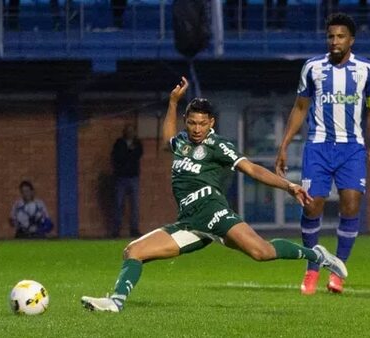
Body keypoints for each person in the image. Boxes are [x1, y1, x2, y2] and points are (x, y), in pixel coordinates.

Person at [81, 77, 347, 312]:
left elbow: (251, 168)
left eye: (202, 123)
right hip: (189, 222)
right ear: (187, 122)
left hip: (214, 214)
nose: (197, 129)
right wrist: (173, 103)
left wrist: (288, 185)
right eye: (193, 123)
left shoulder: (217, 145)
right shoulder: (182, 143)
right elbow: (167, 139)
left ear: (211, 123)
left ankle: (318, 256)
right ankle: (115, 302)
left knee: (262, 252)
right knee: (133, 251)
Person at [275, 12, 370, 295]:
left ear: (351, 40)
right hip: (318, 147)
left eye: (340, 36)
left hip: (352, 148)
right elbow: (300, 108)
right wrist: (284, 145)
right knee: (311, 206)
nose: (334, 41)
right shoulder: (312, 68)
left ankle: (338, 270)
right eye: (331, 36)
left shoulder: (367, 70)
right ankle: (312, 267)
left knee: (350, 206)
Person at [111, 124, 143, 238]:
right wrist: (129, 153)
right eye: (128, 131)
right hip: (121, 177)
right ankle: (116, 229)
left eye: (132, 131)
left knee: (134, 205)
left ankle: (134, 229)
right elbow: (118, 157)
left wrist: (129, 153)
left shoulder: (137, 143)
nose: (130, 133)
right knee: (118, 204)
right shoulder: (119, 143)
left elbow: (137, 155)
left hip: (133, 177)